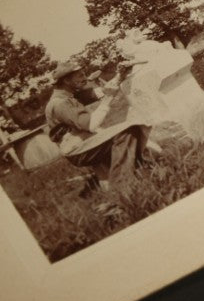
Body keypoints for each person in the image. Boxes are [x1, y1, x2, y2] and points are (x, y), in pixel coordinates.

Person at [44, 56, 153, 199]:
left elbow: (104, 91)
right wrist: (109, 99)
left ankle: (132, 178)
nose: (85, 78)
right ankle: (122, 191)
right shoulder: (60, 103)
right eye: (80, 75)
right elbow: (91, 124)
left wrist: (120, 74)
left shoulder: (69, 95)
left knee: (120, 138)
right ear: (66, 80)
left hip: (83, 142)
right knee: (127, 132)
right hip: (77, 149)